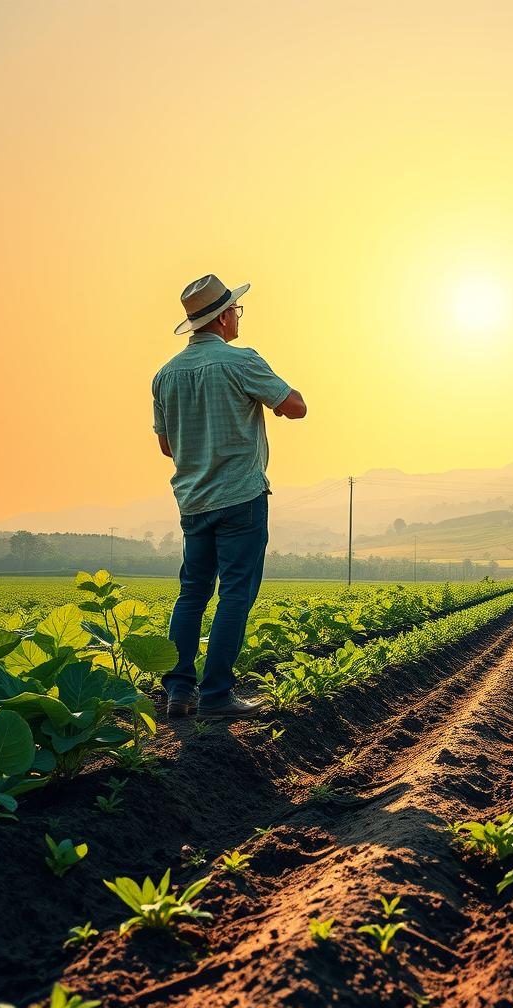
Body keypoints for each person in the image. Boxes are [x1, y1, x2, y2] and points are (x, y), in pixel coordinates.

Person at [152, 274, 307, 719]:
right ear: (223, 317)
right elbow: (296, 406)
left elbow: (167, 446)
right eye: (235, 310)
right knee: (236, 593)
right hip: (240, 496)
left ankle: (179, 692)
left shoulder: (164, 376)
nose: (237, 316)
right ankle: (217, 696)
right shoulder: (241, 361)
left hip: (193, 501)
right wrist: (275, 401)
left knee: (192, 594)